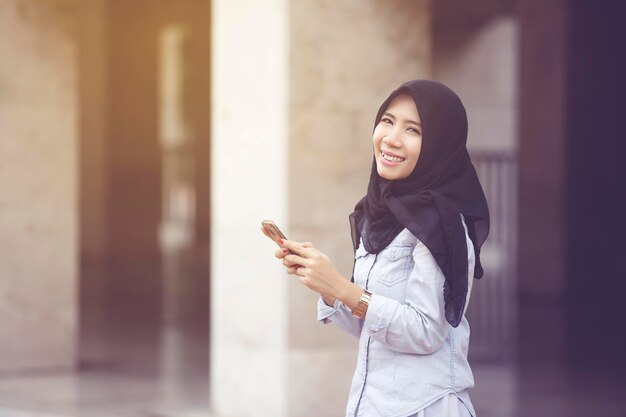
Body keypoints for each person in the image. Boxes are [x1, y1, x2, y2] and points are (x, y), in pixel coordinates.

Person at [263, 80, 489, 417]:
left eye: (413, 129)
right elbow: (370, 326)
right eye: (387, 120)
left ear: (439, 145)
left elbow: (426, 332)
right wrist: (326, 287)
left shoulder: (441, 222)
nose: (391, 138)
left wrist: (341, 286)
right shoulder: (380, 213)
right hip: (372, 404)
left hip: (425, 407)